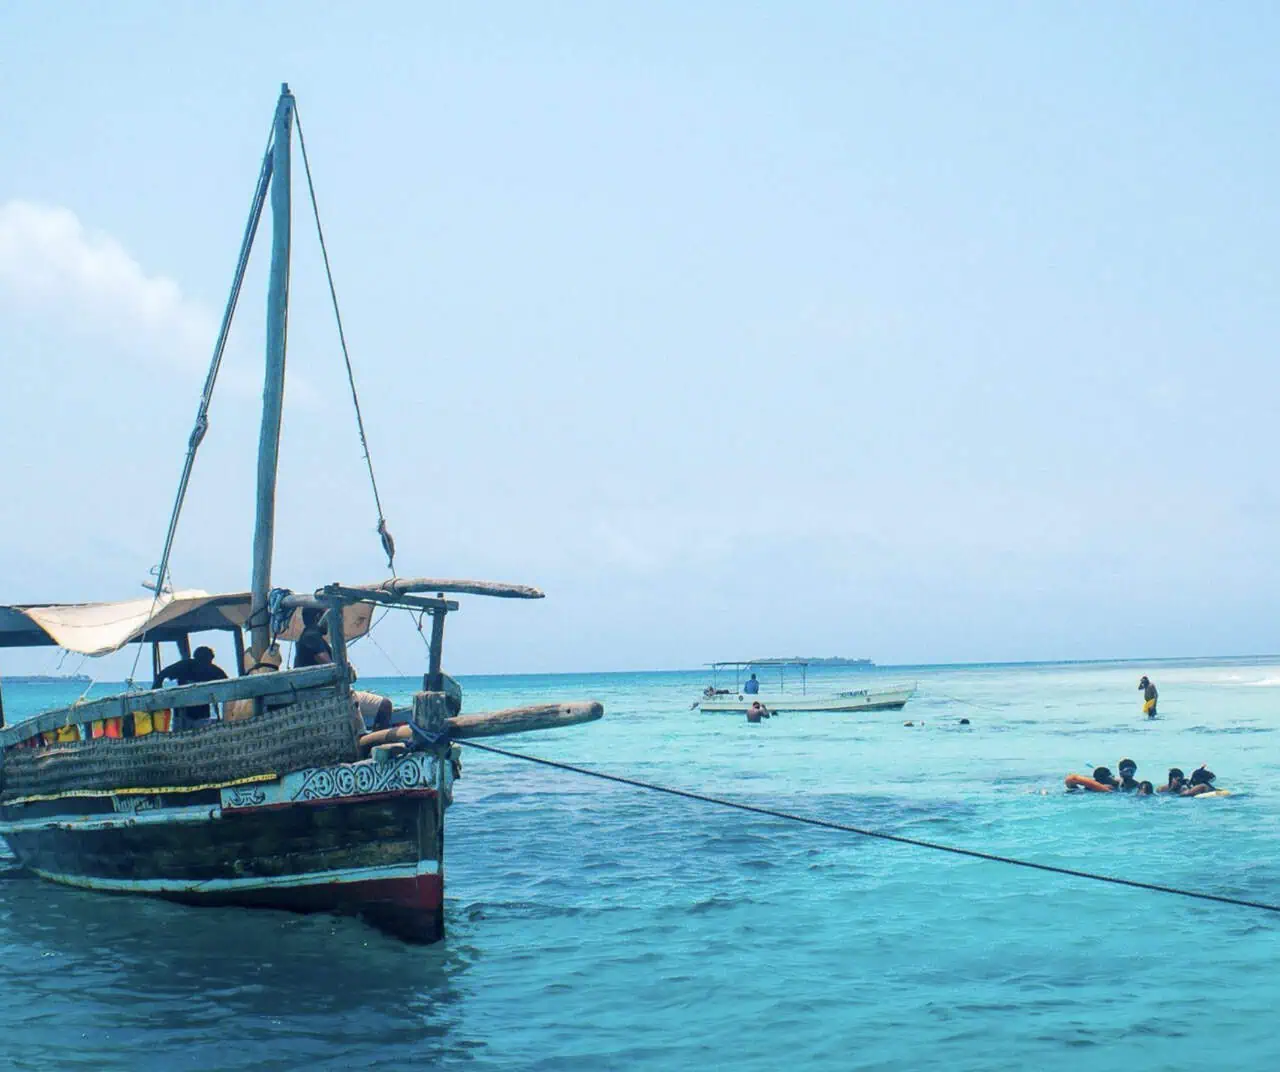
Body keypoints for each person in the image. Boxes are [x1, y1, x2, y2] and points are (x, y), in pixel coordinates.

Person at [293, 607, 393, 730]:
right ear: (318, 618)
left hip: (321, 694)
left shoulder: (306, 637)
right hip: (330, 696)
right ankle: (374, 742)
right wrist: (347, 670)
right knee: (385, 704)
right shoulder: (311, 636)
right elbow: (332, 668)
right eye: (327, 617)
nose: (329, 623)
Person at [154, 645, 227, 726]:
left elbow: (227, 685)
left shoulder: (213, 670)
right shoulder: (185, 665)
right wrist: (156, 693)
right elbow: (162, 674)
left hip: (201, 715)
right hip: (183, 714)